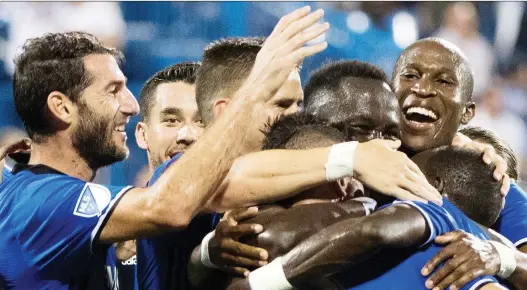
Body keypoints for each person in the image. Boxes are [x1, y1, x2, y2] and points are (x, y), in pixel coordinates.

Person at [0, 6, 332, 288]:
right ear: (62, 107)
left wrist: (203, 258)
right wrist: (348, 158)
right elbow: (168, 206)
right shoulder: (44, 200)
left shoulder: (35, 190)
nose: (130, 105)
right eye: (113, 90)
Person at [227, 116, 505, 290]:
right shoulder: (482, 241)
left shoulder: (435, 211)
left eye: (408, 163)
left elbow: (371, 230)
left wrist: (256, 285)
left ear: (434, 185)